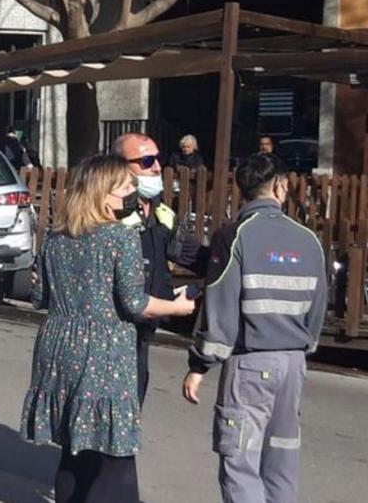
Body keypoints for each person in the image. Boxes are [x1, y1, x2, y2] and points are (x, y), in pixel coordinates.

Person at [21, 154, 196, 503]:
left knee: (75, 448)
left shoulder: (56, 237)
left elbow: (39, 297)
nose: (132, 191)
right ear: (104, 193)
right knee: (113, 453)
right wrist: (177, 306)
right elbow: (135, 303)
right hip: (103, 348)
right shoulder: (120, 237)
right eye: (126, 185)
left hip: (58, 344)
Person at [182, 154, 327, 503]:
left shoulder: (233, 236)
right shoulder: (308, 239)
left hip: (250, 365)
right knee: (281, 460)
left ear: (240, 189)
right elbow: (318, 308)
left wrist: (200, 365)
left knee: (241, 462)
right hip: (293, 363)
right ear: (281, 186)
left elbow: (221, 310)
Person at [112, 132, 209, 405]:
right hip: (111, 333)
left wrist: (229, 259)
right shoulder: (108, 214)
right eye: (146, 160)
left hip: (143, 332)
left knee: (131, 413)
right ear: (119, 167)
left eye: (157, 159)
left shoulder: (161, 214)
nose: (156, 167)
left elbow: (197, 257)